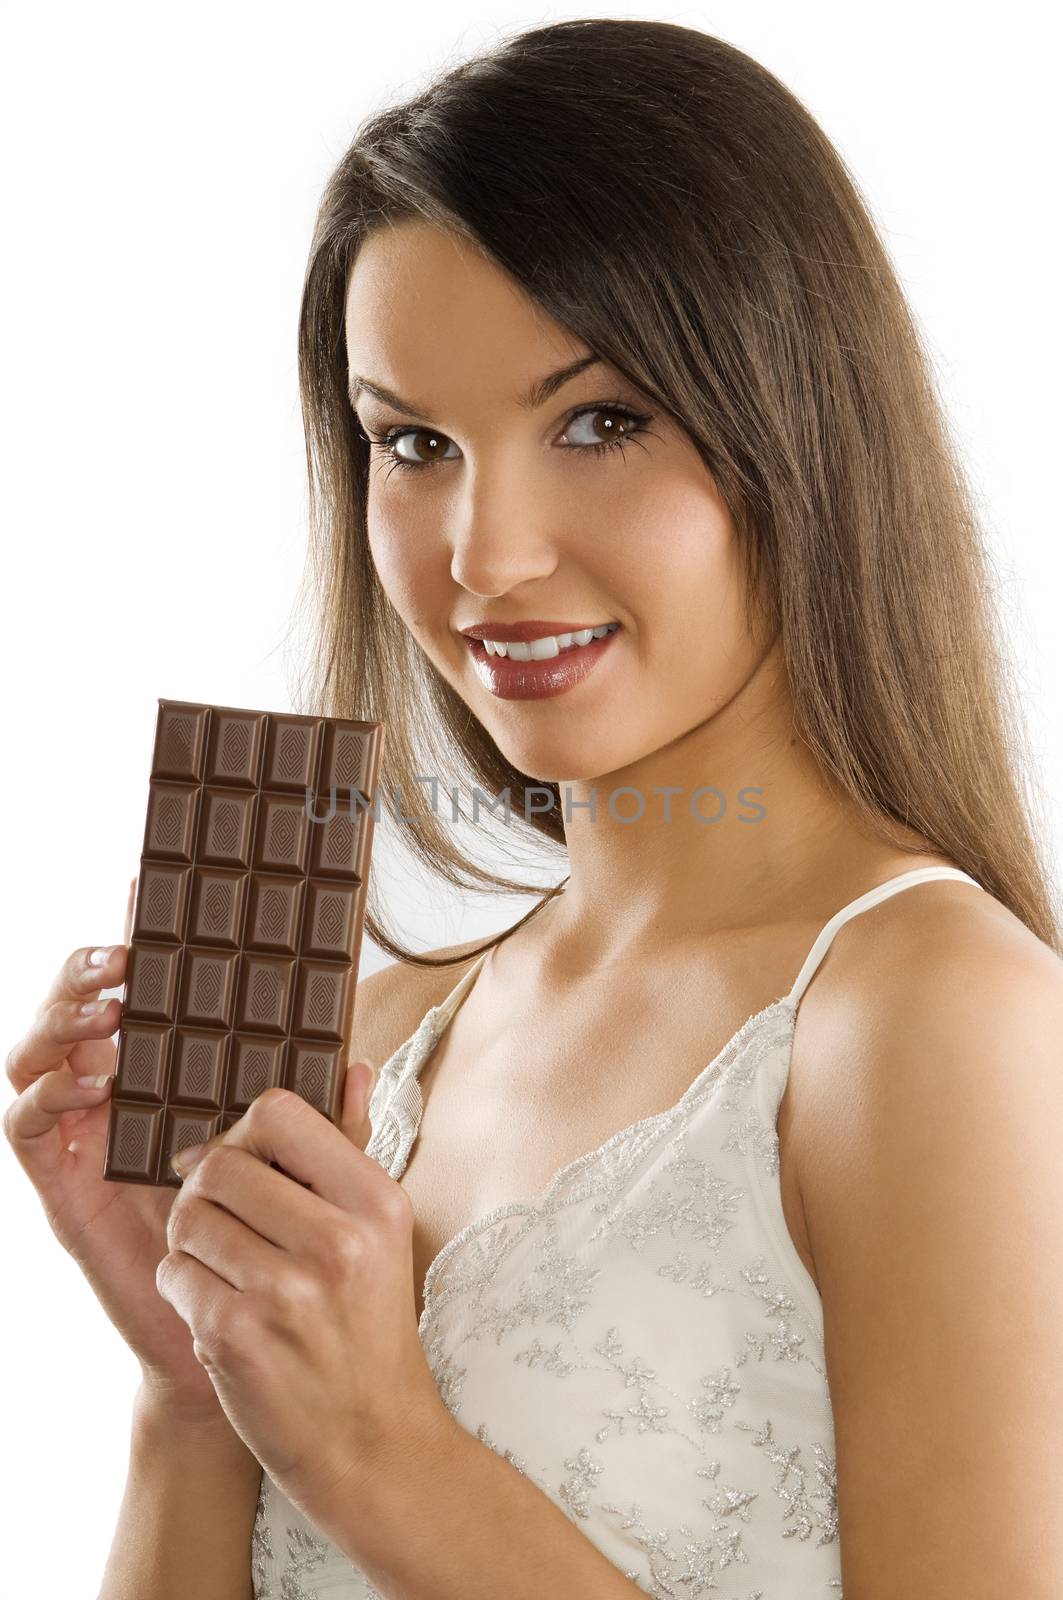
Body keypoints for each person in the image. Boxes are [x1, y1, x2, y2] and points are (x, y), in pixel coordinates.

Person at [6, 17, 1063, 1600]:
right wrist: (193, 1387)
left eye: (600, 420)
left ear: (794, 427)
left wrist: (377, 1453)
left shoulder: (936, 1020)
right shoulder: (385, 1028)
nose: (483, 558)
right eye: (413, 444)